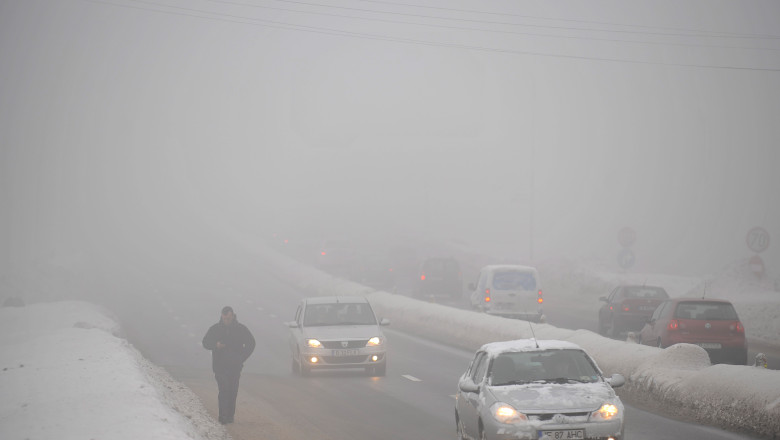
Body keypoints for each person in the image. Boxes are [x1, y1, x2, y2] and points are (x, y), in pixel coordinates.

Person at [202, 306, 256, 424]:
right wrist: (216, 345)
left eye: (229, 318)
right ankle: (222, 417)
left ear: (233, 316)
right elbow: (205, 342)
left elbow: (251, 343)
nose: (227, 320)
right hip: (220, 366)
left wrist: (241, 358)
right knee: (224, 389)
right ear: (222, 316)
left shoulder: (241, 329)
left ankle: (230, 416)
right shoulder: (215, 329)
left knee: (232, 391)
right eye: (225, 318)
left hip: (235, 367)